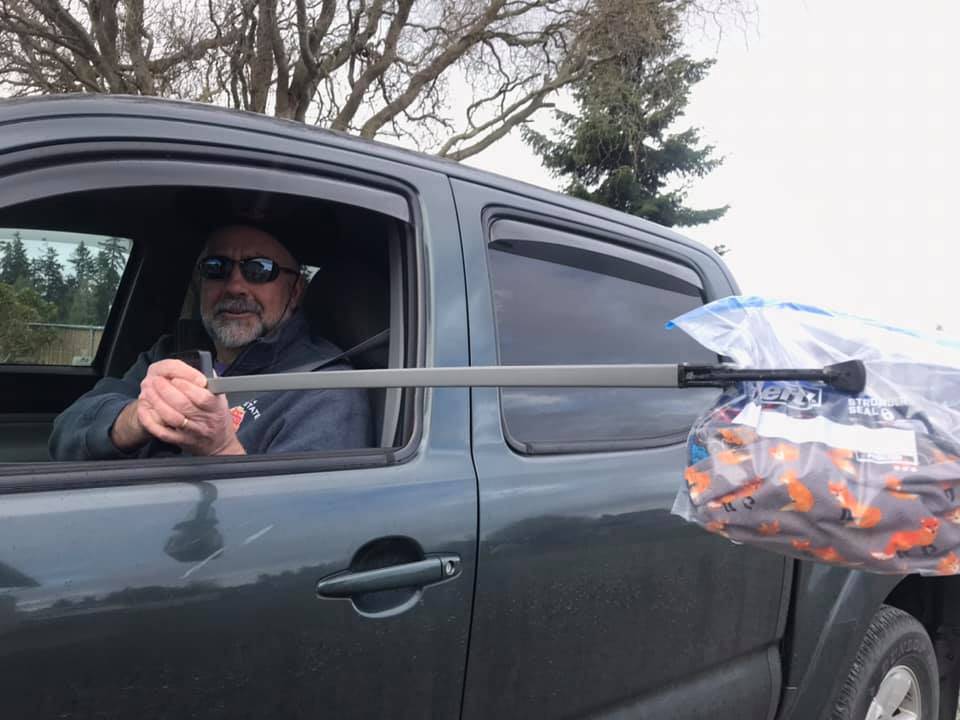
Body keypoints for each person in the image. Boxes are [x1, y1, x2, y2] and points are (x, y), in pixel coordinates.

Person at [49, 224, 372, 460]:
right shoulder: (169, 354)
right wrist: (134, 419)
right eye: (216, 268)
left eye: (259, 269)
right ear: (199, 283)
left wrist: (221, 450)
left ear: (295, 291)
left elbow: (302, 531)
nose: (235, 286)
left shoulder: (325, 389)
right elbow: (64, 433)